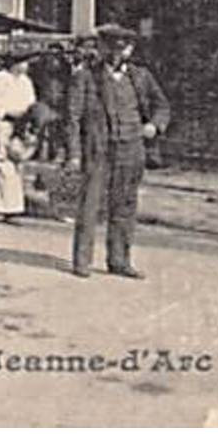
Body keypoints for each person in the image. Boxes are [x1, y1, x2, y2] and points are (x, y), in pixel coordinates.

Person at [67, 24, 171, 279]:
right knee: (90, 206)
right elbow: (72, 117)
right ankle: (82, 261)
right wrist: (74, 153)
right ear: (102, 48)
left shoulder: (140, 77)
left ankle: (119, 260)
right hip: (98, 149)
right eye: (111, 48)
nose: (116, 53)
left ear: (129, 50)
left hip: (131, 149)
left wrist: (154, 126)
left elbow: (162, 106)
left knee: (125, 206)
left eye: (122, 48)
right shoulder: (85, 76)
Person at [0, 55, 36, 222]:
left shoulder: (26, 82)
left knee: (14, 168)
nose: (25, 65)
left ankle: (12, 207)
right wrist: (7, 112)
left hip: (18, 127)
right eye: (22, 61)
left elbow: (31, 104)